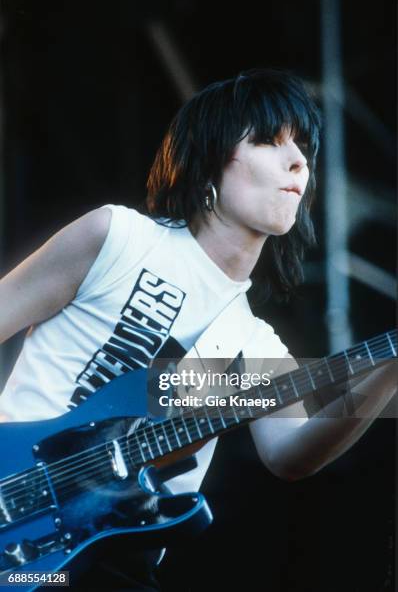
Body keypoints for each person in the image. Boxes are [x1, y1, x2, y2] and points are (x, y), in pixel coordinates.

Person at [0, 69, 395, 590]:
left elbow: (290, 458)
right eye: (268, 142)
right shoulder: (118, 237)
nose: (298, 161)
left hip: (107, 566)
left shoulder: (254, 347)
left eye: (302, 148)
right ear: (211, 159)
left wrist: (389, 371)